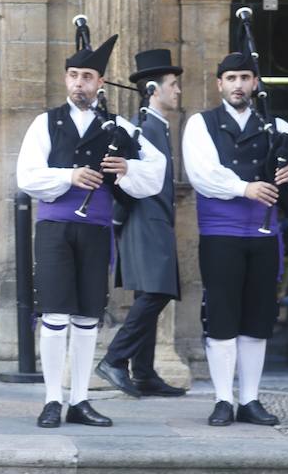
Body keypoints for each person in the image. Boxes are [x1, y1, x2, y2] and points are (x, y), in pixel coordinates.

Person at [17, 34, 166, 428]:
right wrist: (70, 175)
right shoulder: (45, 122)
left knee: (86, 318)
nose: (79, 83)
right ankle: (52, 399)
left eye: (87, 76)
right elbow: (27, 176)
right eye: (73, 75)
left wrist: (128, 169)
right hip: (54, 229)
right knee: (54, 315)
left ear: (100, 82)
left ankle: (80, 400)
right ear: (66, 80)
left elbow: (156, 171)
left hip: (96, 229)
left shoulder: (117, 126)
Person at [182, 51, 288, 426]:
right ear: (219, 84)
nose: (238, 85)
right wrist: (246, 188)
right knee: (222, 316)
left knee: (257, 319)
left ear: (255, 83)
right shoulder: (200, 124)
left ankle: (250, 400)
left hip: (264, 234)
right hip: (221, 233)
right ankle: (223, 399)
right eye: (231, 78)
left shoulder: (277, 125)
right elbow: (202, 173)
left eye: (245, 77)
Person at [96, 49, 186, 398]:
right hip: (144, 219)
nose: (178, 91)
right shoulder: (144, 128)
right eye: (173, 84)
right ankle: (115, 360)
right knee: (157, 292)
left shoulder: (156, 127)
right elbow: (125, 179)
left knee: (151, 292)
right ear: (154, 88)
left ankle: (144, 373)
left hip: (155, 220)